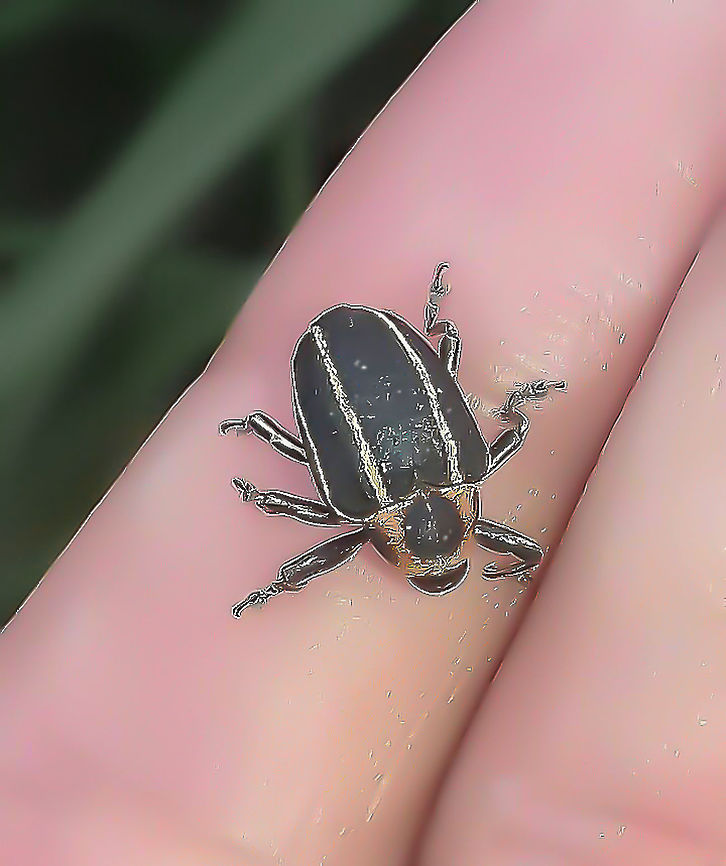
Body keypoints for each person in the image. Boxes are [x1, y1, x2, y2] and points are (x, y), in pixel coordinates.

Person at [2, 1, 725, 863]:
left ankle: (310, 434)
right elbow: (340, 507)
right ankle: (302, 441)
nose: (427, 554)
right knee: (334, 498)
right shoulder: (410, 487)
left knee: (340, 494)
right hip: (362, 350)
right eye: (443, 552)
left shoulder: (448, 470)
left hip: (352, 358)